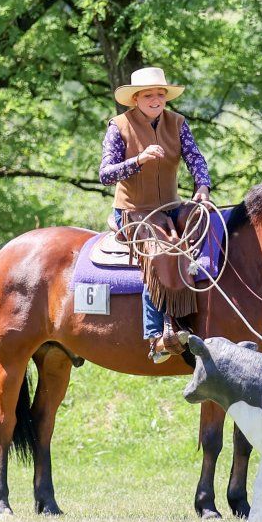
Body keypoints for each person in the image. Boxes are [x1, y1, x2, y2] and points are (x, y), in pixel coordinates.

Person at [98, 67, 212, 363]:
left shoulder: (178, 123)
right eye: (149, 95)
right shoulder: (119, 126)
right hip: (134, 212)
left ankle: (204, 320)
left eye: (161, 94)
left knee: (210, 232)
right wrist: (137, 160)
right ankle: (156, 337)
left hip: (171, 207)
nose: (156, 99)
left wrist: (202, 186)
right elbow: (106, 174)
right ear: (135, 99)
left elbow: (195, 157)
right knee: (160, 252)